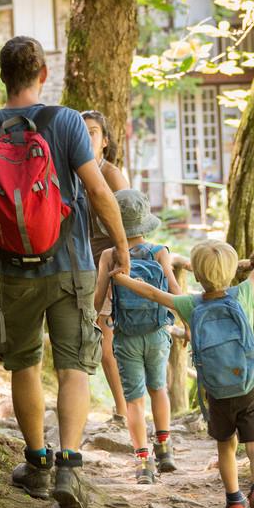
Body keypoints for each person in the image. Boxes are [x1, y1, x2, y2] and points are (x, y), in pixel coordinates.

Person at [0, 36, 130, 508]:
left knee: (24, 364)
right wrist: (123, 246)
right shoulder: (67, 122)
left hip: (14, 272)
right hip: (72, 266)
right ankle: (70, 465)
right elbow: (98, 192)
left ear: (2, 76)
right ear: (42, 75)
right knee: (73, 366)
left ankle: (37, 466)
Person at [111, 204, 254, 508]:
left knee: (226, 447)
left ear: (197, 274)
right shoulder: (244, 293)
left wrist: (122, 277)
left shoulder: (190, 304)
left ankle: (234, 503)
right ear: (232, 269)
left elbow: (153, 292)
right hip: (250, 386)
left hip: (218, 392)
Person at [93, 189, 182, 484]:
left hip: (126, 335)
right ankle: (165, 449)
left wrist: (101, 315)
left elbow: (97, 300)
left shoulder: (109, 255)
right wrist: (189, 321)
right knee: (159, 389)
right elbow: (173, 290)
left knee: (134, 400)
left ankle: (143, 463)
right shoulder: (160, 252)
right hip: (157, 333)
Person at [82, 110, 130, 426]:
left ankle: (124, 410)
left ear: (105, 142)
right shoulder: (74, 173)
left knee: (105, 340)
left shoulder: (112, 176)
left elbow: (129, 226)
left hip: (110, 264)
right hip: (83, 264)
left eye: (94, 132)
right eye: (82, 132)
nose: (87, 137)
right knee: (89, 338)